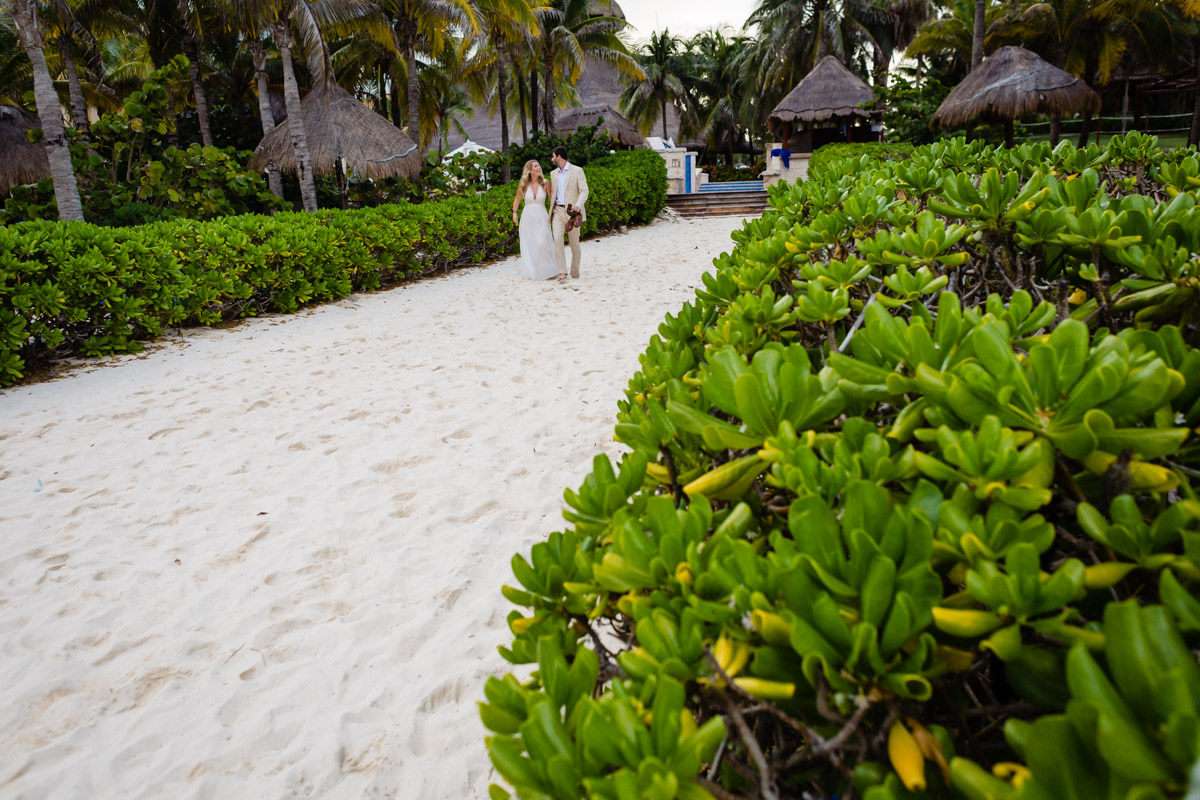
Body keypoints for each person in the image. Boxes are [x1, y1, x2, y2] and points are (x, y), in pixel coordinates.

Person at [511, 159, 559, 281]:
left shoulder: (545, 183)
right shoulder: (523, 185)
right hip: (528, 217)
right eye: (535, 166)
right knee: (532, 244)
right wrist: (514, 213)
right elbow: (516, 200)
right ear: (529, 170)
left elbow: (551, 199)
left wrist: (555, 213)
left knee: (543, 243)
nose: (539, 168)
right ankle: (536, 271)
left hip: (542, 217)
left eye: (539, 165)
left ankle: (548, 270)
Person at [548, 146, 589, 281]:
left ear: (559, 156)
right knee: (557, 240)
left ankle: (575, 271)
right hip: (558, 211)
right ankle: (562, 272)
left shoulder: (577, 171)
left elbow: (584, 191)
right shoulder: (553, 174)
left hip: (573, 213)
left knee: (574, 243)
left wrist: (578, 205)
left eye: (553, 156)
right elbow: (554, 193)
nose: (552, 159)